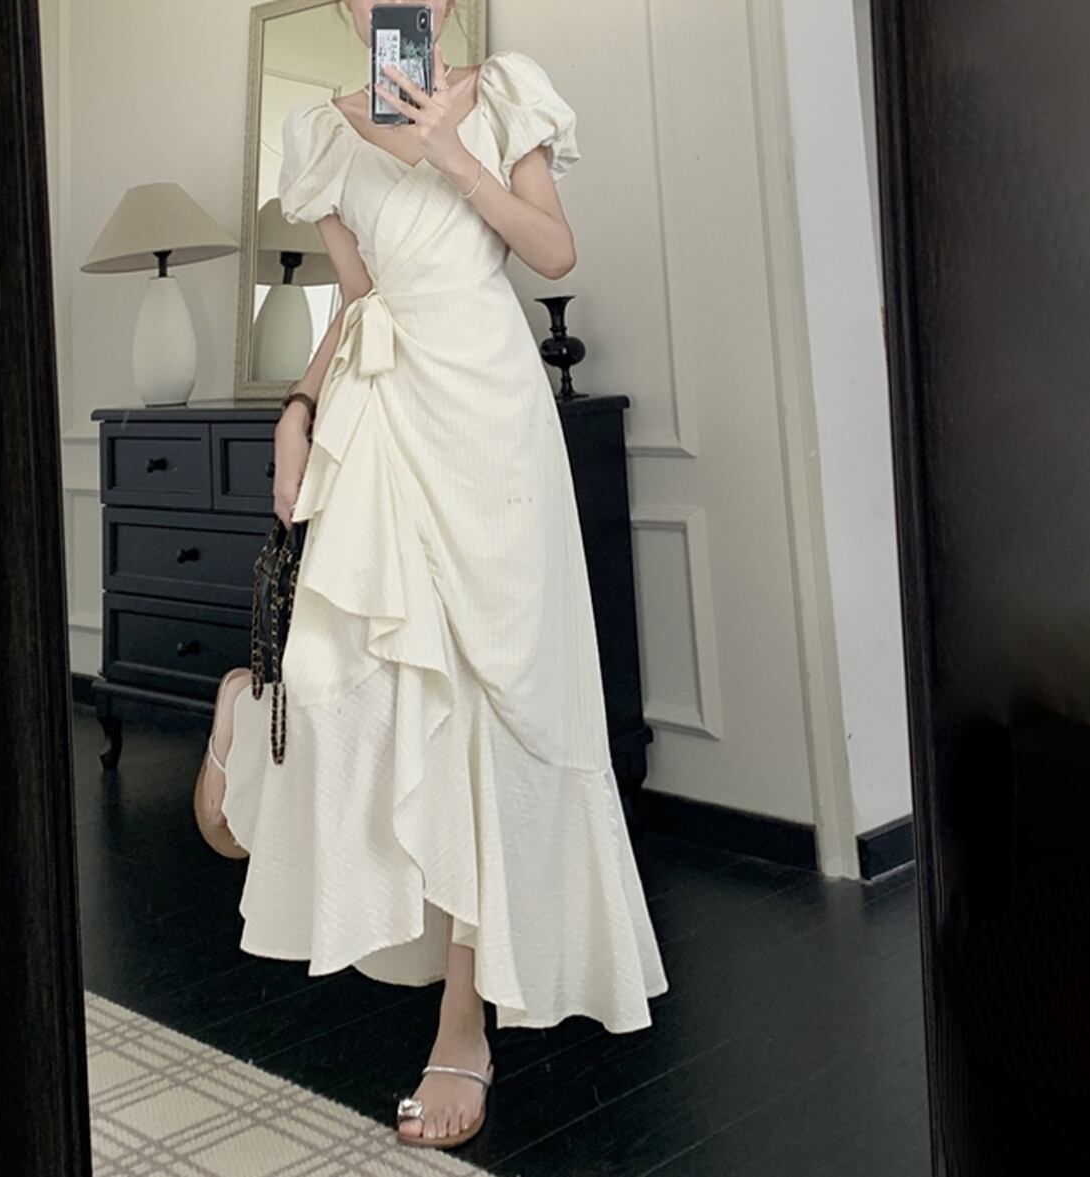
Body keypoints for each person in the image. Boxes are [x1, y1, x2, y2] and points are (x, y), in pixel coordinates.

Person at [192, 0, 668, 1150]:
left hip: (491, 416)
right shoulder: (322, 129)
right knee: (342, 666)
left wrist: (448, 149)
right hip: (382, 406)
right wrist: (296, 409)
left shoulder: (504, 92)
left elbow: (551, 250)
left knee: (489, 700)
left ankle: (463, 1014)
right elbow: (358, 297)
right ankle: (251, 717)